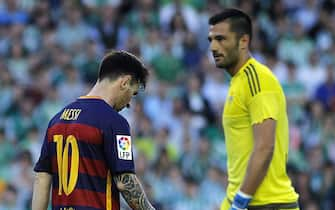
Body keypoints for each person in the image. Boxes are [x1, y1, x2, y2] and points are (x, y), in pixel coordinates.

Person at [32, 50, 156, 210]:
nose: (128, 104)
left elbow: (41, 178)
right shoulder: (115, 122)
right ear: (124, 82)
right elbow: (125, 182)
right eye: (132, 94)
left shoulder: (57, 120)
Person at [208, 8, 300, 210]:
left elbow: (265, 147)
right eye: (211, 40)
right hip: (241, 200)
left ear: (243, 41)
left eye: (221, 39)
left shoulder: (257, 79)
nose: (213, 47)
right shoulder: (238, 81)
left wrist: (241, 201)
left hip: (266, 203)